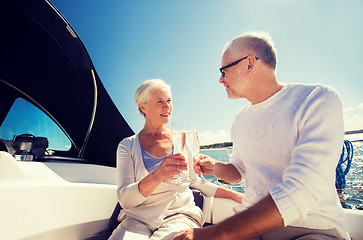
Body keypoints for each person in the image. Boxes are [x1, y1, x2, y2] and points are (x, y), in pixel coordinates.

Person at [174, 32, 350, 240]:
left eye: (223, 71)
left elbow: (302, 190)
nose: (220, 79)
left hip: (312, 228)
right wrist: (216, 168)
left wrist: (211, 234)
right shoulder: (240, 120)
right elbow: (240, 171)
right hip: (252, 230)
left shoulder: (316, 99)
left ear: (249, 63)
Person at [109, 79, 243, 240]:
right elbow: (125, 200)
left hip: (180, 215)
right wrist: (157, 175)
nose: (167, 106)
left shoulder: (182, 140)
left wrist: (235, 195)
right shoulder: (127, 146)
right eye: (159, 101)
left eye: (169, 100)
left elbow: (195, 181)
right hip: (138, 219)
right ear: (142, 106)